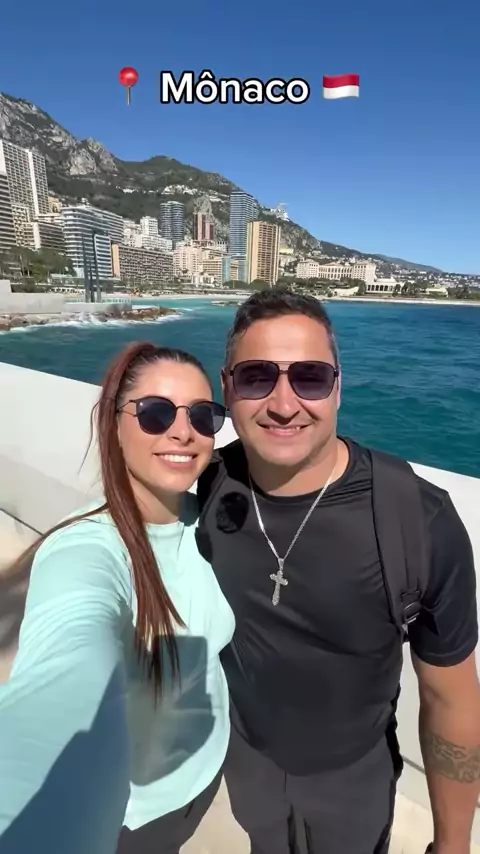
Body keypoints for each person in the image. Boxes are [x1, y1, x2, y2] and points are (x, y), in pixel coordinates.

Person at [196, 288, 480, 854]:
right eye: (256, 377)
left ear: (337, 388)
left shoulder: (417, 519)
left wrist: (451, 845)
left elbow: (450, 699)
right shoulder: (206, 484)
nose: (283, 403)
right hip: (246, 761)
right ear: (227, 388)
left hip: (356, 780)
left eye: (309, 377)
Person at [0, 342, 235, 854]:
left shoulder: (211, 520)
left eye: (202, 415)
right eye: (155, 413)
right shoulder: (87, 549)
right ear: (114, 424)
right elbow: (64, 668)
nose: (183, 431)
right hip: (135, 817)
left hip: (203, 774)